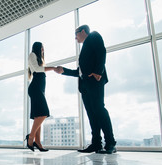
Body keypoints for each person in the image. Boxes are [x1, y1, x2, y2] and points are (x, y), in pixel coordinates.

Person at [55, 25, 116, 154]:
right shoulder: (84, 48)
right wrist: (63, 71)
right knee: (92, 115)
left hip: (95, 81)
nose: (75, 37)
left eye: (76, 34)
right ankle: (96, 144)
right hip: (85, 86)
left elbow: (102, 51)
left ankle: (110, 143)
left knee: (99, 110)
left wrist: (97, 72)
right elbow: (80, 72)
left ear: (83, 31)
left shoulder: (94, 36)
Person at [26, 42, 57, 152]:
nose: (43, 49)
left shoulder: (40, 60)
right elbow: (38, 70)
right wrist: (53, 68)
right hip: (35, 89)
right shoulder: (32, 55)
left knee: (38, 115)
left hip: (39, 90)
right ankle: (30, 137)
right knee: (44, 112)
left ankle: (38, 142)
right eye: (42, 47)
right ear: (38, 47)